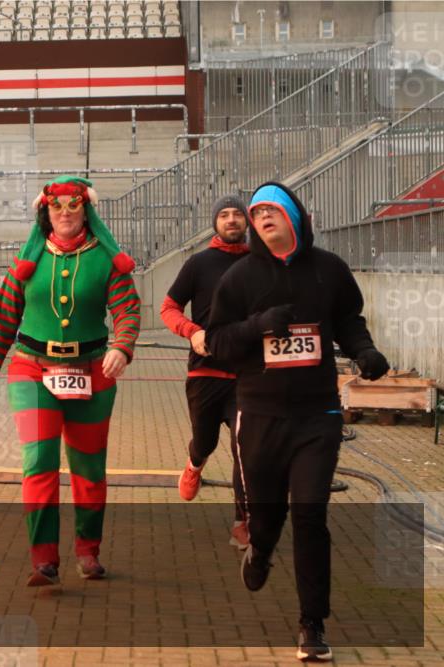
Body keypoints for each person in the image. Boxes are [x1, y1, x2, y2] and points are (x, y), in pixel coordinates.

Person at [206, 181, 390, 662]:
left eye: (272, 210)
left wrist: (364, 352)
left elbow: (349, 319)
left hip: (317, 415)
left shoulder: (329, 270)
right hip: (260, 413)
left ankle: (312, 623)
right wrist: (258, 325)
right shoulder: (240, 277)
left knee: (310, 513)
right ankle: (261, 548)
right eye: (256, 212)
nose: (262, 217)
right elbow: (218, 341)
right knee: (266, 514)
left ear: (294, 216)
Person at [0, 176, 140, 586]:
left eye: (73, 206)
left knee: (88, 467)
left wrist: (122, 346)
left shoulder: (106, 260)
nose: (64, 213)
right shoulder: (27, 262)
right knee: (39, 464)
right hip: (32, 371)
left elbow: (127, 309)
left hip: (93, 373)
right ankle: (44, 560)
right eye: (56, 207)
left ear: (87, 211)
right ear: (45, 213)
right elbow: (3, 321)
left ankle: (88, 550)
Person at [160, 195, 251, 548]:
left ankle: (243, 521)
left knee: (245, 447)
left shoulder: (260, 264)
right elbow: (168, 308)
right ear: (215, 223)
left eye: (237, 214)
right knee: (206, 440)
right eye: (224, 215)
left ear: (247, 222)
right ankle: (195, 463)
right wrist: (192, 332)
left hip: (247, 375)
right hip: (205, 373)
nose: (231, 220)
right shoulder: (199, 263)